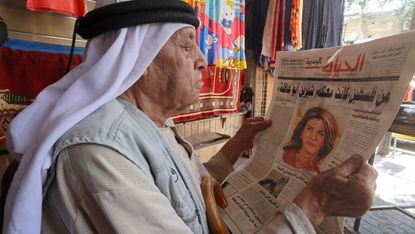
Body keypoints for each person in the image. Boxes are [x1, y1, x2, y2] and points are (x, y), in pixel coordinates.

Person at [3, 0, 377, 233]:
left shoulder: (152, 123)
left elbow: (183, 196)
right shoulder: (99, 151)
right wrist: (314, 204)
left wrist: (236, 148)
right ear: (140, 60)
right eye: (186, 43)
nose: (203, 60)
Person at [283, 107, 337, 173]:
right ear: (301, 131)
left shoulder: (319, 171)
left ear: (325, 142)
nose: (313, 137)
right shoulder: (285, 155)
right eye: (309, 129)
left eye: (320, 133)